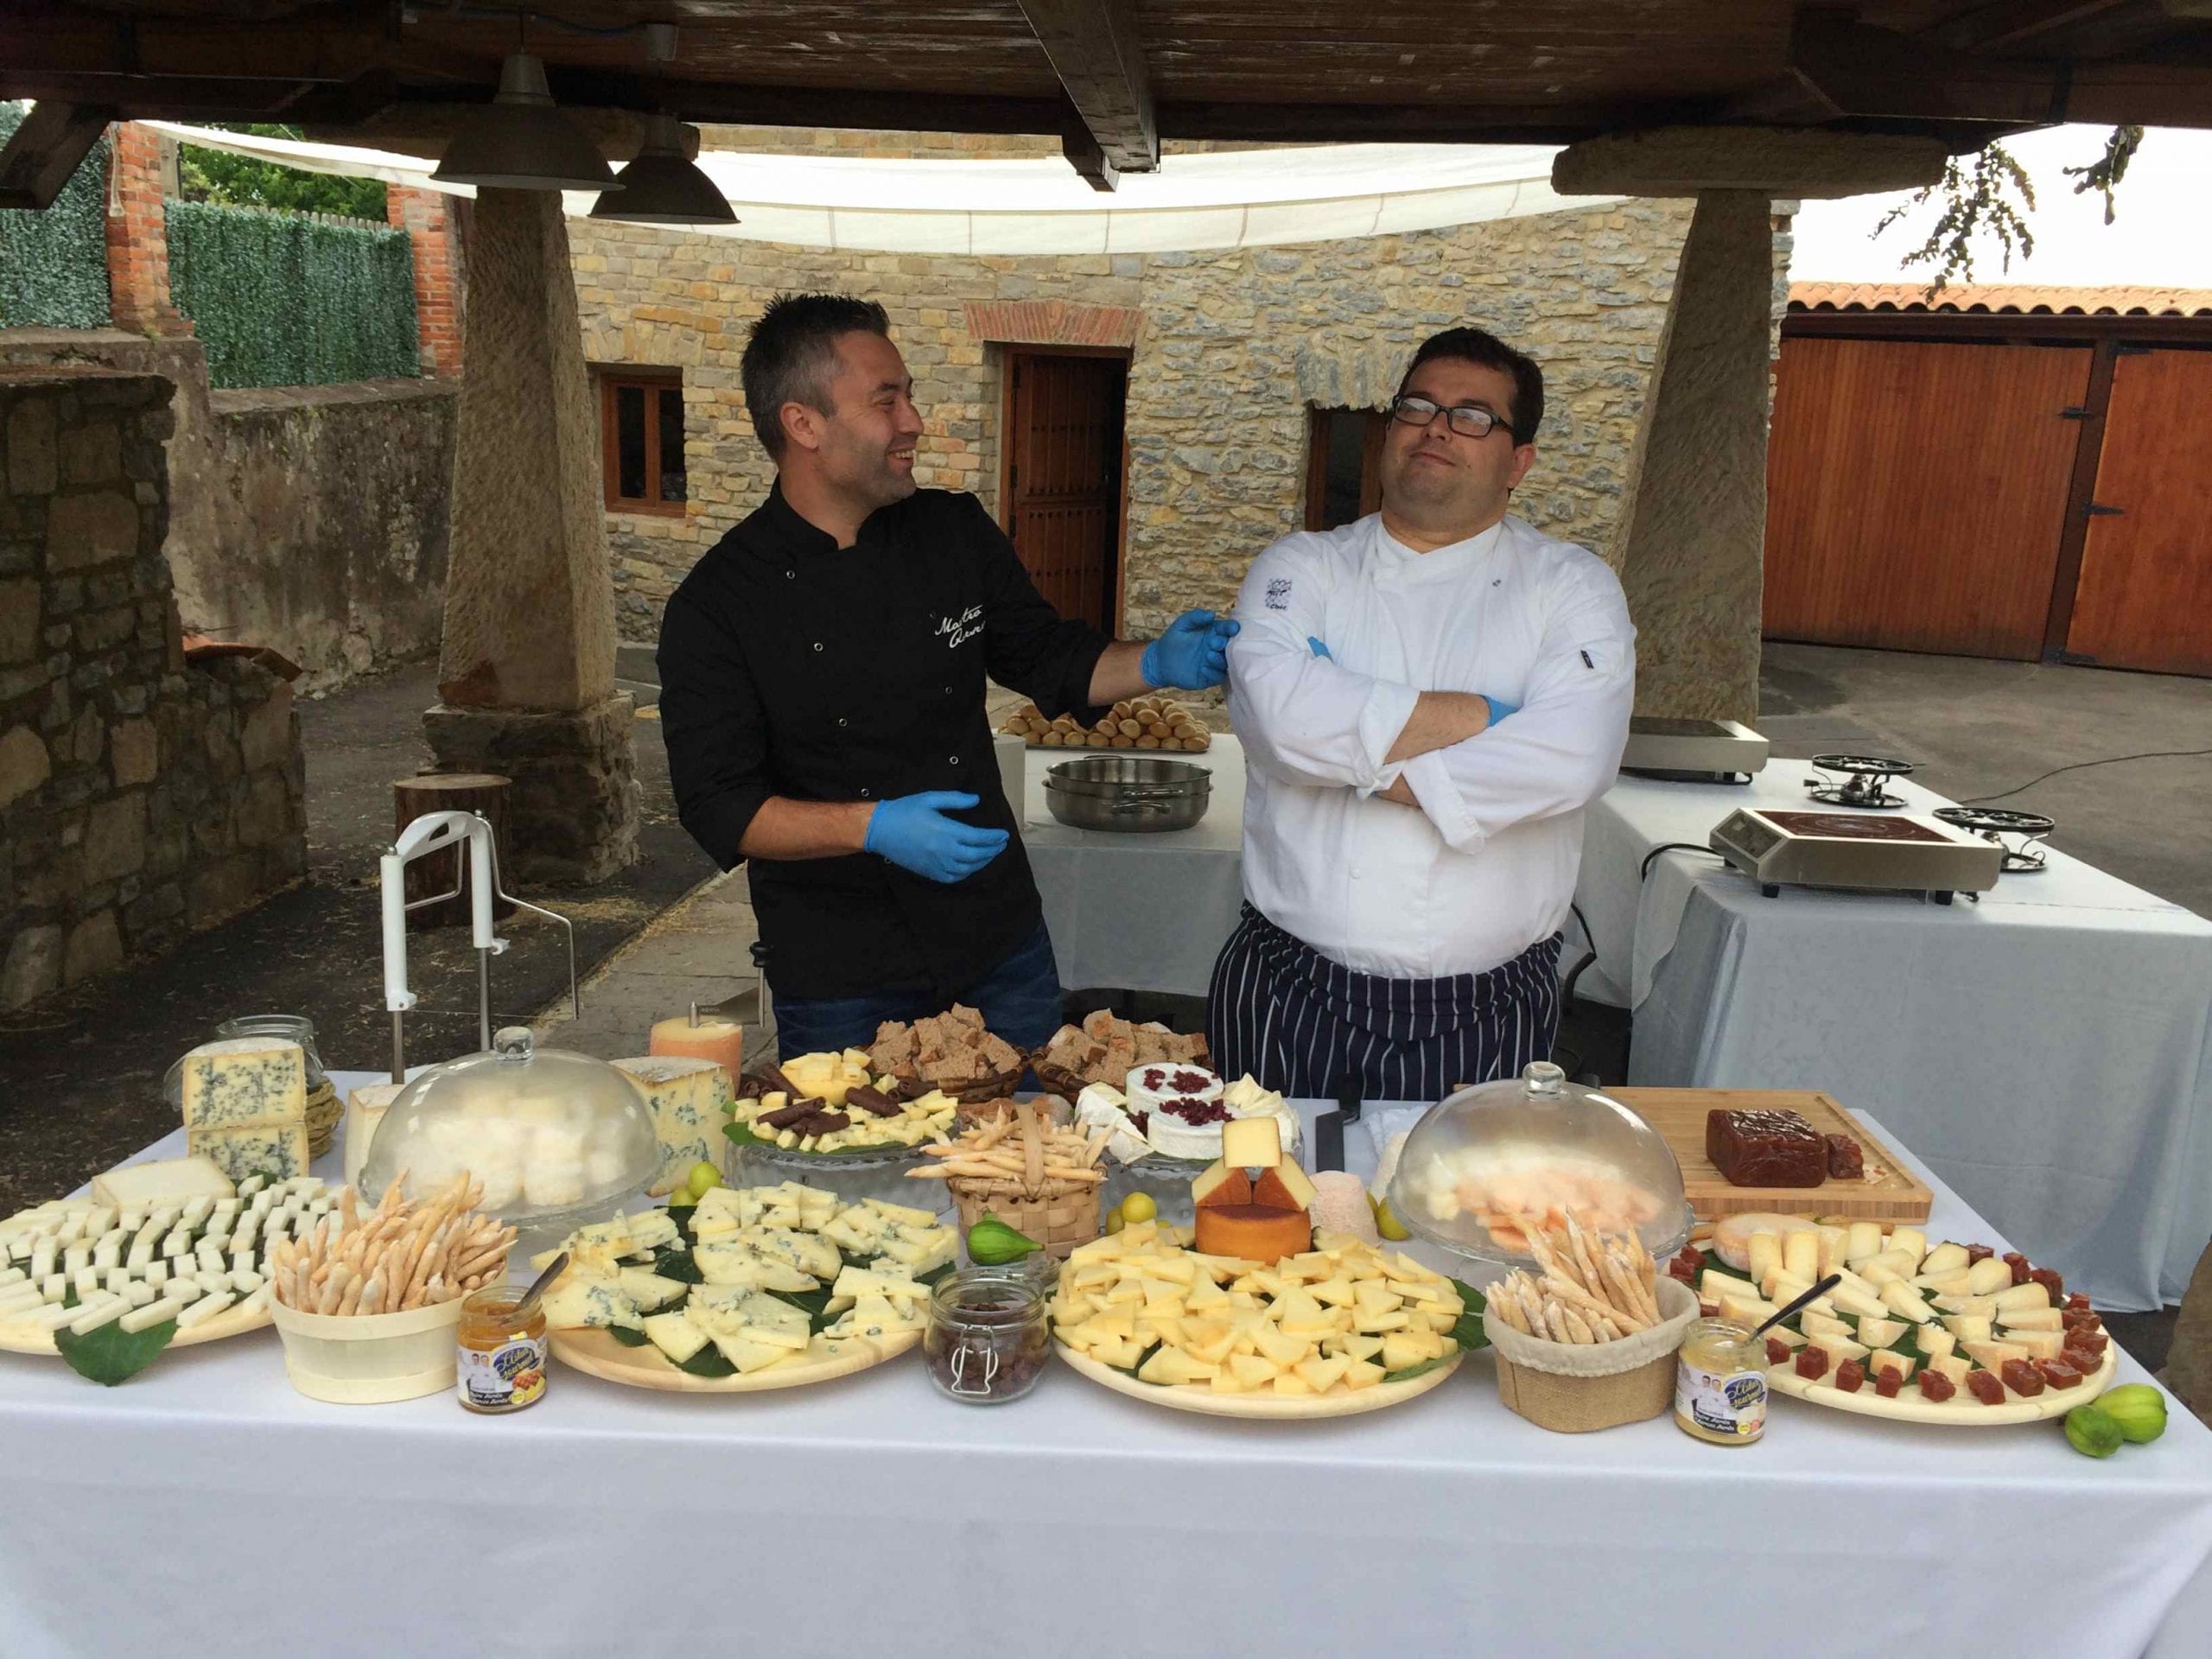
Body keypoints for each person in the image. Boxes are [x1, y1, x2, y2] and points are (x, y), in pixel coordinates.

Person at [658, 293, 1237, 1058]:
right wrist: (871, 827)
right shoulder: (719, 606)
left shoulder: (952, 532)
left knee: (1035, 1153)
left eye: (910, 396)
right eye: (886, 401)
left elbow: (1048, 656)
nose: (914, 423)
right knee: (856, 1160)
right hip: (840, 970)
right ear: (804, 425)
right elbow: (721, 807)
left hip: (998, 940)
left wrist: (1157, 662)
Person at [1207, 325, 1634, 1099]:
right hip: (1287, 985)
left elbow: (1575, 756)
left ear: (1519, 462)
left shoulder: (1571, 585)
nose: (1438, 427)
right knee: (1258, 1208)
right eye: (1418, 406)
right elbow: (1277, 716)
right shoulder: (1302, 565)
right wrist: (1491, 716)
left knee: (1464, 1219)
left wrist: (1347, 755)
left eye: (1475, 416)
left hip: (1489, 1005)